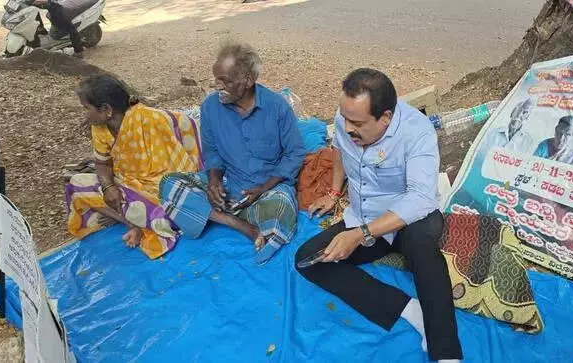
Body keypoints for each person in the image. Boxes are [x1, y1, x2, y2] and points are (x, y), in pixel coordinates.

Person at [298, 68, 462, 362]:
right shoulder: (345, 121)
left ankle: (446, 351)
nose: (347, 127)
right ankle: (410, 309)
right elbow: (339, 150)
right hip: (365, 217)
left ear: (385, 117)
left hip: (412, 219)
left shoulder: (417, 131)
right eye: (344, 118)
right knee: (308, 260)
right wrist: (335, 192)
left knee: (424, 250)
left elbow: (421, 197)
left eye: (357, 123)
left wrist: (360, 235)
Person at [159, 41, 306, 265]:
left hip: (266, 189)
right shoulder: (209, 107)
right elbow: (212, 151)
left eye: (224, 80)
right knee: (169, 183)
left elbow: (294, 154)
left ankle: (212, 214)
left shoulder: (277, 107)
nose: (217, 85)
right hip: (229, 184)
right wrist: (214, 181)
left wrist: (264, 187)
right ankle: (241, 225)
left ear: (247, 81)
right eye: (216, 78)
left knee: (282, 206)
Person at [65, 74, 202, 259]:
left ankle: (140, 222)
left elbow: (170, 175)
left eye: (86, 108)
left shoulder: (151, 120)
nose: (85, 114)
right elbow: (102, 162)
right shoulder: (99, 127)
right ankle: (133, 223)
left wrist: (129, 191)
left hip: (159, 189)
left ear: (106, 109)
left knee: (163, 209)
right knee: (76, 185)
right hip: (127, 186)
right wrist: (108, 186)